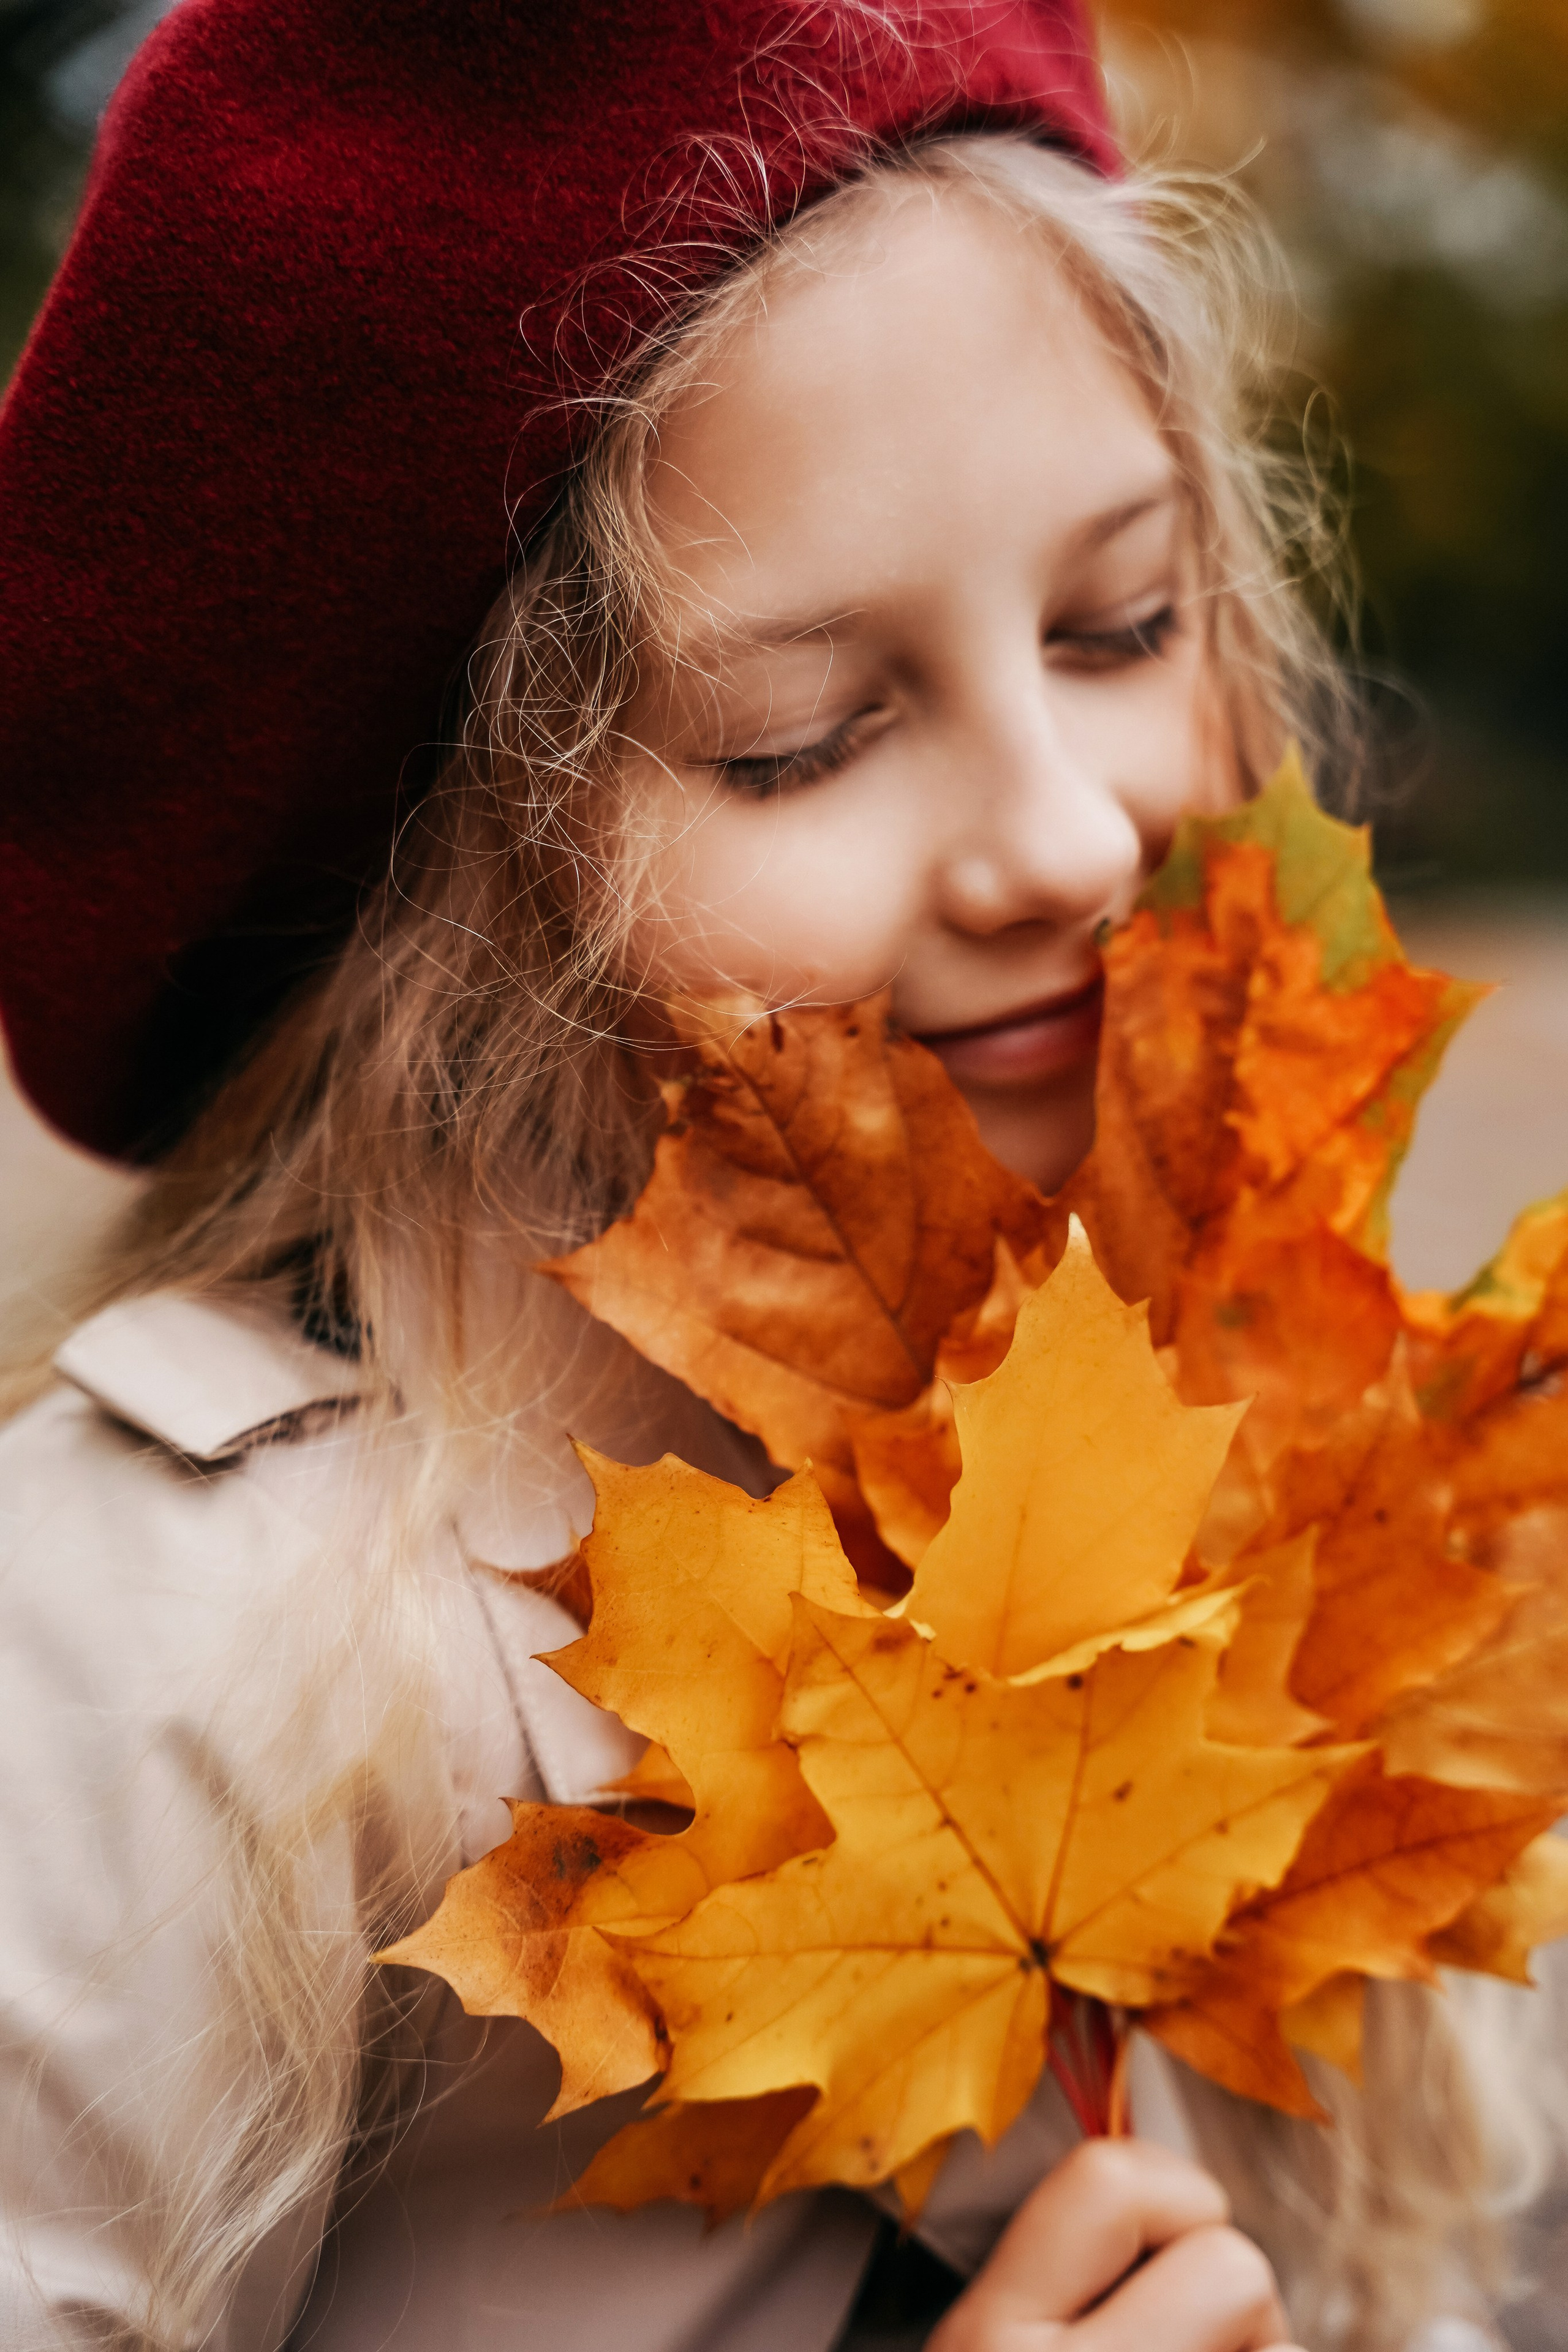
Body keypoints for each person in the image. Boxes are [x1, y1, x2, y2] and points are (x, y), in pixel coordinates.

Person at [0, 4, 1561, 2347]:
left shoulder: (1259, 1464)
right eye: (801, 742)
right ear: (451, 894)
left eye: (1122, 624)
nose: (1063, 834)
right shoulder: (177, 1654)